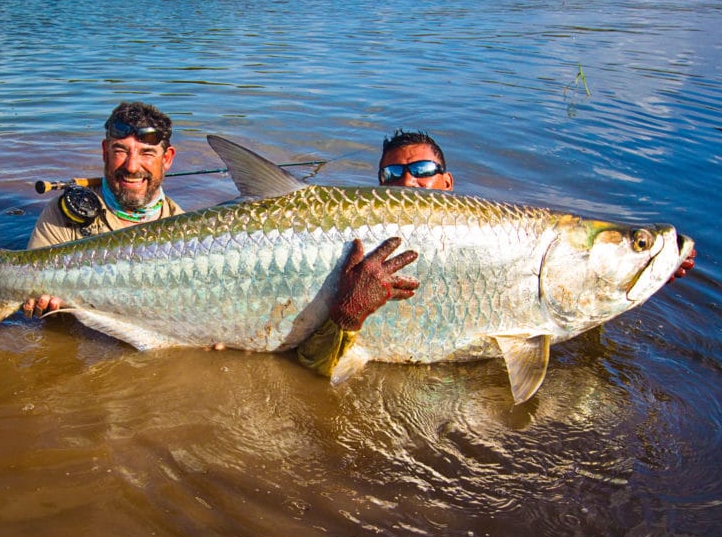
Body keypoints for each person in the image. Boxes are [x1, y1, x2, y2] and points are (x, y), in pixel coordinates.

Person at [297, 129, 697, 377]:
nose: (407, 182)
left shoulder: (506, 233)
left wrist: (652, 273)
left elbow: (577, 299)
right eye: (391, 175)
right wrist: (349, 314)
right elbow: (312, 363)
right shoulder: (356, 243)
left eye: (421, 170)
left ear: (448, 182)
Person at [22, 102, 185, 318]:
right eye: (120, 151)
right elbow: (28, 287)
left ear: (167, 159)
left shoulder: (184, 230)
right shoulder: (63, 213)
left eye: (147, 153)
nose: (132, 166)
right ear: (104, 152)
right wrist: (39, 300)